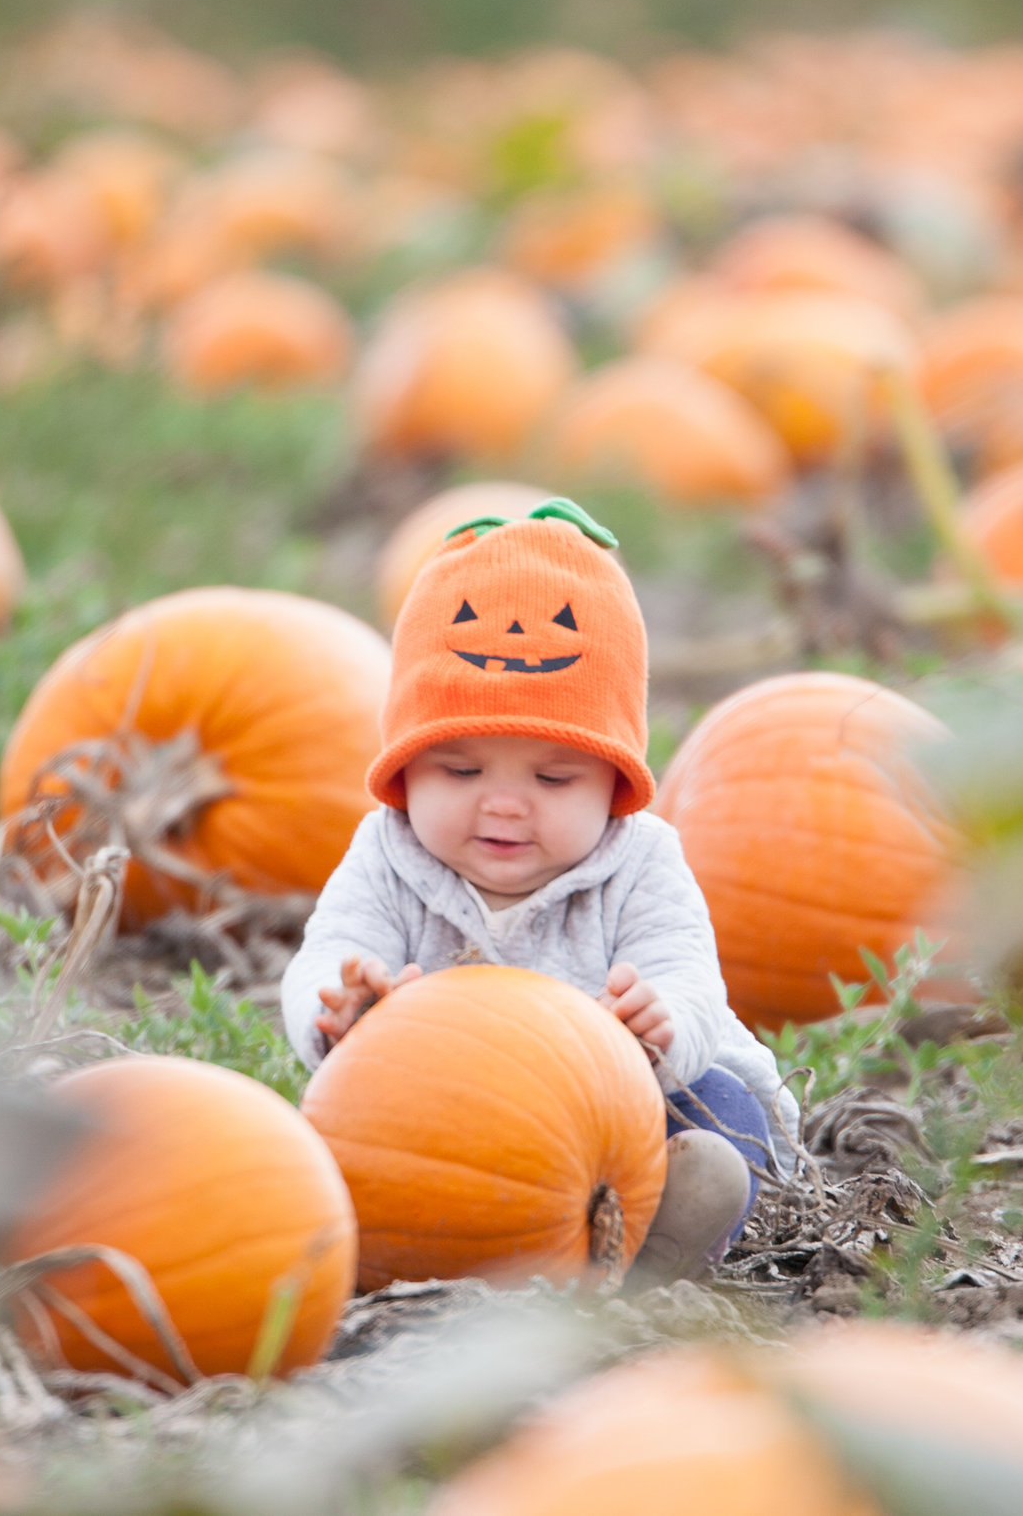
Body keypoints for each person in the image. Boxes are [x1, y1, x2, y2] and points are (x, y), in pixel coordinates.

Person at [282, 498, 796, 1288]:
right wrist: (342, 1008)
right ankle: (413, 1241)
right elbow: (331, 951)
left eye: (554, 777)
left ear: (616, 783)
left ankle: (643, 1265)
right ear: (404, 770)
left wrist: (660, 1024)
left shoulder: (644, 862)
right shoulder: (386, 855)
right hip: (445, 1115)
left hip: (618, 1125)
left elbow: (686, 972)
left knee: (727, 1112)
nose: (505, 804)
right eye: (460, 770)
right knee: (329, 1136)